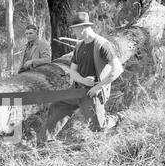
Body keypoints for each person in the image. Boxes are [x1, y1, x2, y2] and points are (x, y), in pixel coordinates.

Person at [38, 12, 124, 143]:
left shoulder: (102, 45)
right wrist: (83, 80)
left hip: (92, 94)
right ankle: (44, 142)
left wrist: (97, 87)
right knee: (57, 107)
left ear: (82, 27)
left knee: (98, 128)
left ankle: (117, 118)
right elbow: (72, 71)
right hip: (77, 90)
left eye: (74, 29)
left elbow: (118, 68)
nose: (73, 32)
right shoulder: (79, 45)